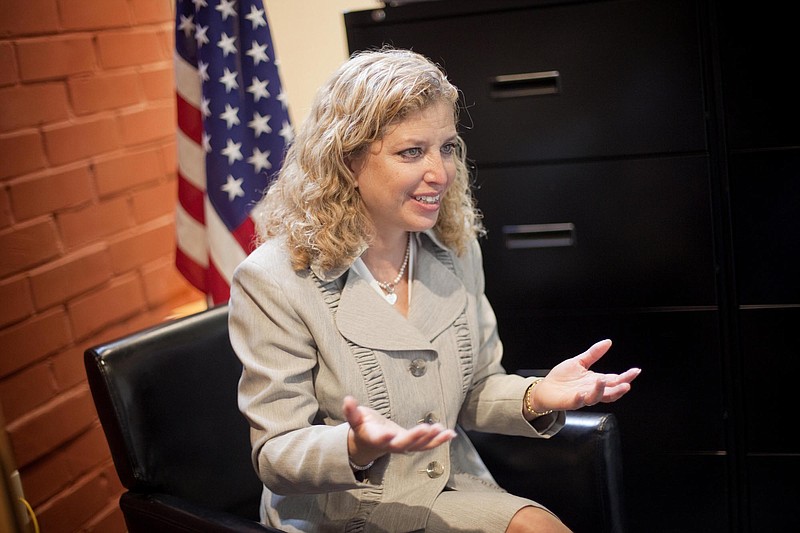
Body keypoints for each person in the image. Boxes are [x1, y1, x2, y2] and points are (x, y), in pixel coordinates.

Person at [228, 47, 641, 533]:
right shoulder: (274, 277)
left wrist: (538, 396)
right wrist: (354, 446)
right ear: (347, 160)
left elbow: (477, 388)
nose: (440, 173)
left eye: (446, 147)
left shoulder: (453, 247)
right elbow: (276, 454)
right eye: (411, 151)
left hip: (448, 483)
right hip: (343, 510)